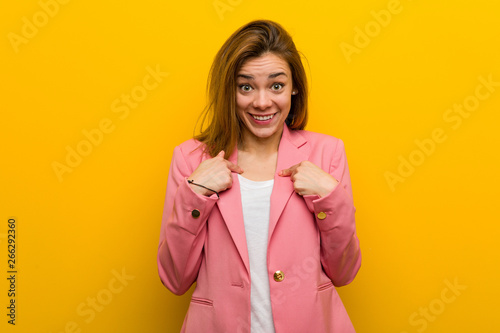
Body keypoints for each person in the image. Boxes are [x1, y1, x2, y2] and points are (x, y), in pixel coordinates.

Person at [157, 20, 361, 333]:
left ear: (294, 87)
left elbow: (344, 271)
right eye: (246, 86)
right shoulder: (191, 159)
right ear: (231, 91)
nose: (262, 102)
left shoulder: (327, 153)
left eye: (276, 85)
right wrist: (195, 193)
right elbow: (174, 279)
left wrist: (329, 198)